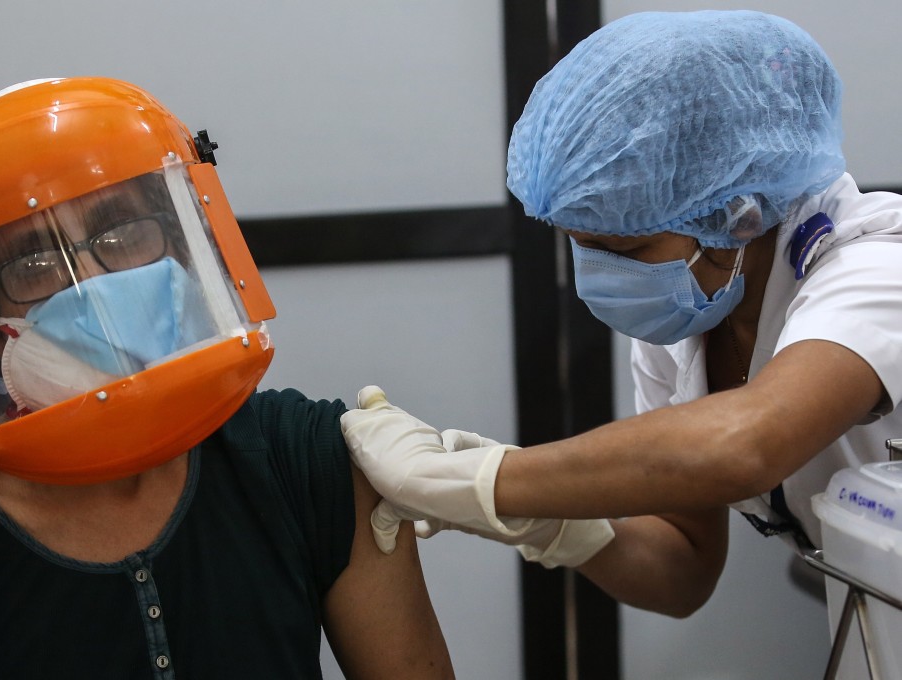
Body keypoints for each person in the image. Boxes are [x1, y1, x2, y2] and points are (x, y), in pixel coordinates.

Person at [340, 9, 902, 676]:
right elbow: (681, 568)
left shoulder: (875, 269)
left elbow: (746, 444)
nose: (609, 276)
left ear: (736, 211)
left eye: (627, 246)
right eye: (582, 248)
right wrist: (544, 523)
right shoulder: (692, 313)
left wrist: (482, 481)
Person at [0, 77, 453, 679]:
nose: (93, 284)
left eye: (122, 234)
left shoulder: (305, 457)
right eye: (35, 263)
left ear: (183, 245)